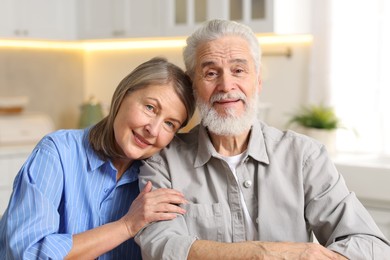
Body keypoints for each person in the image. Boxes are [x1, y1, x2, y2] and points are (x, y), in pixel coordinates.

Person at [135, 20, 390, 259]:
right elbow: (161, 244)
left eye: (238, 70)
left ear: (257, 81)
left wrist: (307, 256)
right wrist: (262, 253)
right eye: (211, 73)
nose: (226, 85)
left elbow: (370, 243)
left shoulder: (304, 156)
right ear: (193, 87)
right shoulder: (163, 161)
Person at [0, 57, 196, 259]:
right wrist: (126, 226)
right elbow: (28, 253)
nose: (153, 130)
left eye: (170, 124)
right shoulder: (57, 153)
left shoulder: (159, 177)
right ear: (122, 95)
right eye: (150, 108)